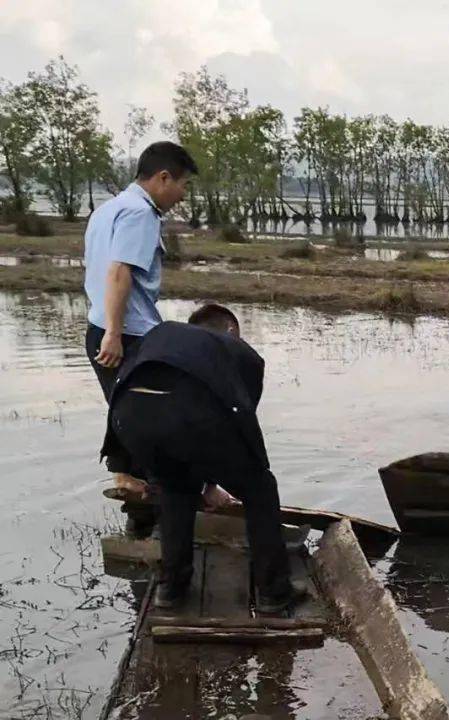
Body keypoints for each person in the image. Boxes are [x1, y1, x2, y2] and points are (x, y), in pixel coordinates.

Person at [102, 303, 304, 613]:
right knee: (260, 489)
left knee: (174, 488)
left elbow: (121, 385)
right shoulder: (239, 350)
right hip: (193, 417)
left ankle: (171, 589)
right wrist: (238, 477)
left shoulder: (163, 334)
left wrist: (121, 464)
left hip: (129, 418)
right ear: (231, 330)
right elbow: (240, 419)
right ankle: (274, 593)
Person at [83, 141, 198, 498]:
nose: (182, 195)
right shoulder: (140, 213)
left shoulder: (108, 209)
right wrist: (116, 334)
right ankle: (179, 493)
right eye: (183, 185)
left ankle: (133, 488)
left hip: (102, 326)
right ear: (163, 178)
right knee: (164, 412)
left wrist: (107, 330)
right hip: (125, 332)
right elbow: (119, 273)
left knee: (128, 409)